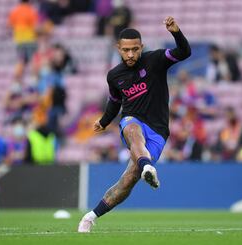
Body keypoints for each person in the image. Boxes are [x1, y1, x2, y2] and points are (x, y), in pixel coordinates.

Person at [78, 16, 191, 232]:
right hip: (132, 120)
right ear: (118, 48)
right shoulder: (114, 76)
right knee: (131, 127)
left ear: (142, 47)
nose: (131, 54)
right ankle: (146, 165)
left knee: (128, 180)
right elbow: (114, 101)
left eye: (135, 49)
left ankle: (90, 216)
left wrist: (176, 32)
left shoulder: (156, 60)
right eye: (126, 50)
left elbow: (184, 52)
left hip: (158, 130)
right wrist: (104, 122)